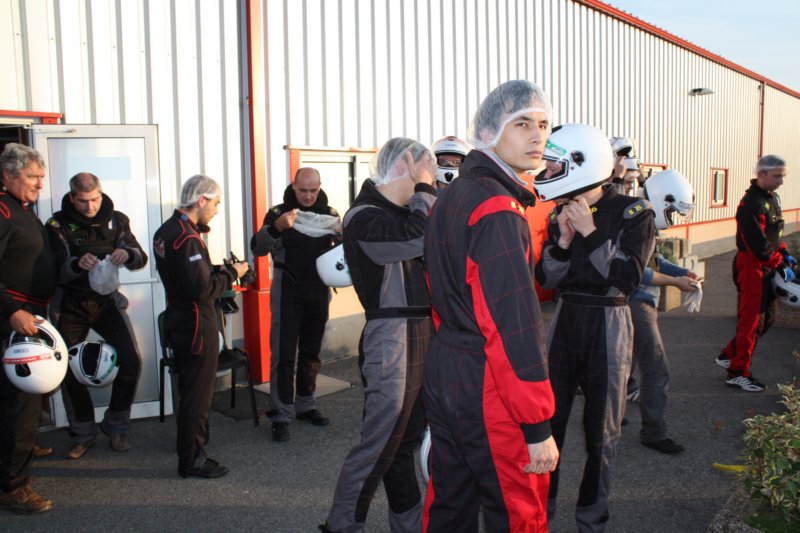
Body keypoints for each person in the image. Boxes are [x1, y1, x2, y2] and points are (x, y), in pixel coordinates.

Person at [422, 80, 559, 532]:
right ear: (488, 132)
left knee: (449, 506)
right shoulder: (497, 208)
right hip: (489, 385)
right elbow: (513, 325)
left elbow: (439, 292)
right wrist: (536, 426)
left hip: (446, 368)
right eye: (522, 124)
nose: (537, 136)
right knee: (519, 514)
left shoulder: (453, 196)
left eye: (543, 124)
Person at [534, 123, 655, 531]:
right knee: (547, 425)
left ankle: (591, 518)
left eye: (554, 167)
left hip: (609, 321)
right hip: (566, 317)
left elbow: (627, 278)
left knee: (601, 433)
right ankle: (539, 512)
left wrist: (589, 231)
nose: (548, 173)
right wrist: (565, 242)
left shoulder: (635, 212)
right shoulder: (560, 213)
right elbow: (546, 278)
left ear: (582, 164)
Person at [321, 137, 437, 533]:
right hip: (393, 337)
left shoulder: (401, 212)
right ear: (406, 164)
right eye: (427, 167)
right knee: (380, 444)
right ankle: (341, 524)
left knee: (403, 446)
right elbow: (418, 237)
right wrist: (424, 188)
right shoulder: (363, 216)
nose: (432, 176)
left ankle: (408, 525)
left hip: (422, 332)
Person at [152, 175, 249, 479]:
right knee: (198, 397)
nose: (217, 210)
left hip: (180, 320)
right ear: (201, 200)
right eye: (216, 203)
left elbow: (189, 274)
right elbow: (202, 288)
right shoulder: (187, 238)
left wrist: (219, 269)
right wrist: (233, 272)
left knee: (190, 392)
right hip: (196, 325)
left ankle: (190, 451)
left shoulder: (166, 230)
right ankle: (192, 460)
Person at [46, 173, 147, 459]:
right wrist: (77, 264)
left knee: (131, 360)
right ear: (71, 197)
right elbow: (55, 268)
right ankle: (83, 434)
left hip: (106, 302)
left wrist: (127, 255)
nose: (90, 206)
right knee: (68, 369)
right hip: (70, 305)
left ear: (101, 194)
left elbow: (140, 257)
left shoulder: (118, 219)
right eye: (83, 201)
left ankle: (116, 426)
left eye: (95, 199)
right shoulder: (56, 224)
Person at [251, 167, 340, 442]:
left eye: (313, 190)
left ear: (320, 186)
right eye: (303, 190)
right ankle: (280, 414)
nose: (309, 196)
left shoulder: (330, 215)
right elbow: (257, 247)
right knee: (284, 353)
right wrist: (276, 228)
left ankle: (305, 405)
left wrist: (344, 235)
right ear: (294, 185)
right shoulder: (279, 213)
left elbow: (341, 254)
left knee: (311, 352)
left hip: (319, 290)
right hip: (287, 290)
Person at [0, 143, 57, 514]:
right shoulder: (3, 210)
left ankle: (20, 449)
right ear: (8, 175)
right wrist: (12, 311)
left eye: (41, 176)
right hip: (14, 318)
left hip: (30, 314)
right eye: (33, 176)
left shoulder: (22, 208)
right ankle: (13, 486)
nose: (39, 184)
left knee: (25, 400)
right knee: (19, 403)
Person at [626, 169, 698, 454]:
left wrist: (682, 272)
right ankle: (653, 433)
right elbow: (637, 272)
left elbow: (654, 261)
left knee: (623, 365)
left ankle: (609, 417)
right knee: (656, 368)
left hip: (637, 301)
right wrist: (676, 282)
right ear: (662, 199)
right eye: (672, 211)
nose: (673, 218)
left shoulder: (642, 217)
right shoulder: (638, 220)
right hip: (636, 302)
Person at [715, 155, 794, 392]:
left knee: (767, 318)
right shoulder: (750, 204)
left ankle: (729, 354)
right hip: (752, 266)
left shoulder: (771, 198)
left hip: (767, 263)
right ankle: (738, 372)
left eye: (783, 176)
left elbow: (773, 232)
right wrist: (778, 261)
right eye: (777, 176)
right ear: (762, 174)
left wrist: (783, 252)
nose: (781, 181)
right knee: (751, 321)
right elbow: (756, 242)